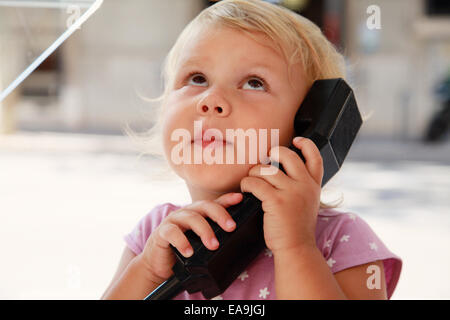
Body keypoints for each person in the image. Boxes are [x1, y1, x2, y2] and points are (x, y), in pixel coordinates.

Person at [101, 0, 402, 300]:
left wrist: (296, 247)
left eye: (253, 83)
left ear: (307, 126)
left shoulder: (341, 241)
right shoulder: (155, 237)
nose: (211, 99)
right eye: (197, 78)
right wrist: (148, 273)